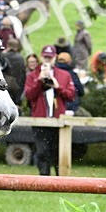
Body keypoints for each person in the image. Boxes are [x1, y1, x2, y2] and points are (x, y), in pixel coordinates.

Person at [24, 44, 76, 176]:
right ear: (41, 57)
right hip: (40, 120)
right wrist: (39, 81)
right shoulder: (33, 75)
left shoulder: (64, 75)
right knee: (42, 152)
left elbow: (71, 96)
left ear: (55, 58)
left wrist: (57, 86)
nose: (47, 60)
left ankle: (60, 179)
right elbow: (29, 96)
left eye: (50, 57)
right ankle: (44, 179)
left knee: (58, 152)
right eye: (45, 57)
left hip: (58, 120)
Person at [1, 39, 27, 105]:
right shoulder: (20, 58)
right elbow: (23, 77)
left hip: (3, 87)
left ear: (7, 45)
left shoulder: (2, 56)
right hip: (16, 88)